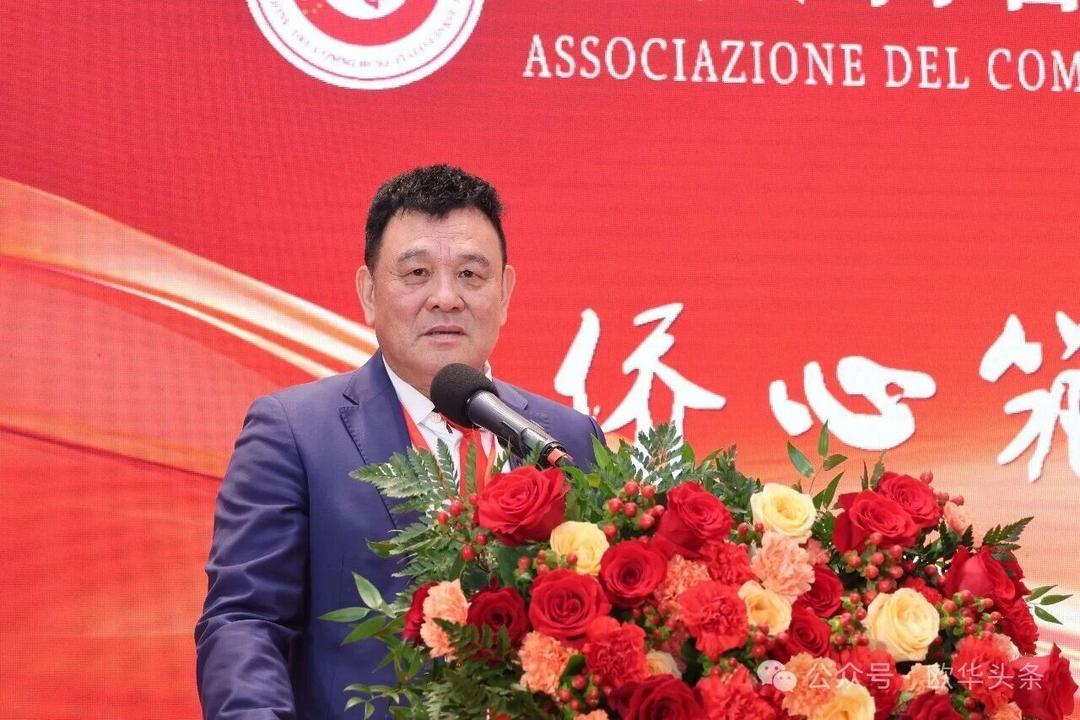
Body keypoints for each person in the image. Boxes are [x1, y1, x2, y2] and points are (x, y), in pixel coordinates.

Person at [195, 165, 604, 719]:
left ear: (505, 292)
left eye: (470, 274)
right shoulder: (294, 432)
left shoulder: (567, 440)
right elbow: (245, 622)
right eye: (416, 273)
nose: (446, 298)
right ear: (369, 292)